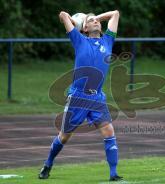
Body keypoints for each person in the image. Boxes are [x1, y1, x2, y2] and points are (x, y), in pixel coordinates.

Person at [38, 10, 122, 182]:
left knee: (109, 131)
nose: (96, 22)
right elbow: (61, 15)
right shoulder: (79, 40)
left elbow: (115, 14)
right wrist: (77, 21)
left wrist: (95, 17)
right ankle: (48, 164)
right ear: (84, 28)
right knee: (64, 136)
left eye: (97, 21)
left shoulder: (108, 40)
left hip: (97, 98)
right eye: (91, 21)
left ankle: (113, 174)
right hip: (78, 97)